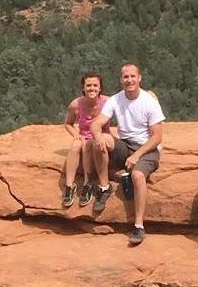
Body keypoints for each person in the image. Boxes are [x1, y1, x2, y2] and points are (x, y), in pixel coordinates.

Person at [90, 63, 165, 245]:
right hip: (125, 145)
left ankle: (138, 225)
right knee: (98, 142)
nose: (129, 80)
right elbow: (96, 124)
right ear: (121, 79)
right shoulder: (116, 99)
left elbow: (157, 137)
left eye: (132, 76)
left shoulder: (149, 102)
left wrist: (137, 155)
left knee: (138, 175)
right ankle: (104, 187)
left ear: (139, 78)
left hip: (147, 148)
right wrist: (98, 136)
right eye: (125, 77)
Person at [62, 72, 112, 208]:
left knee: (87, 145)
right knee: (75, 145)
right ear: (83, 88)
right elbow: (68, 123)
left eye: (95, 85)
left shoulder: (107, 102)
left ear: (100, 88)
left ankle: (87, 184)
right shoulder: (76, 104)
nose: (92, 88)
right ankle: (69, 186)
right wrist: (75, 134)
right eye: (88, 85)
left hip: (101, 136)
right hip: (83, 136)